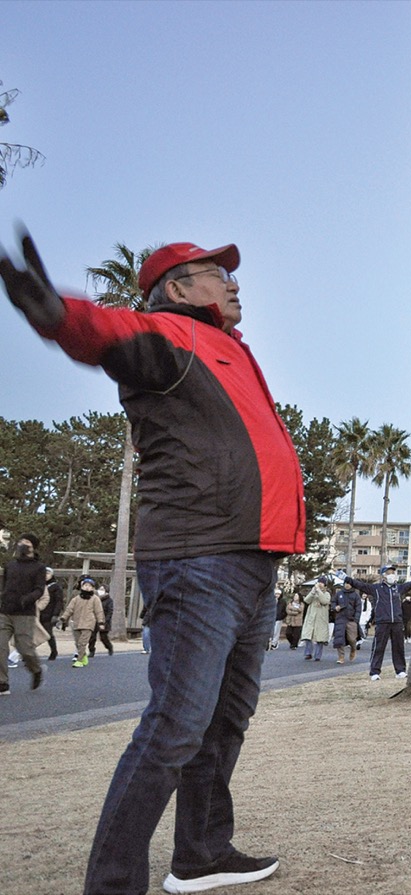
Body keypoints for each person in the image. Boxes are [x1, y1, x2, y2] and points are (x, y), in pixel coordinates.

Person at [2, 232, 306, 894]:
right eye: (214, 273)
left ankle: (200, 853)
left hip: (252, 562)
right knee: (176, 725)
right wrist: (57, 313)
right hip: (199, 562)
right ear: (175, 288)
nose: (232, 282)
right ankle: (112, 883)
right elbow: (107, 332)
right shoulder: (166, 335)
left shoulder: (230, 352)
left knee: (224, 720)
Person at [345, 565, 411, 681]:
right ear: (384, 575)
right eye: (389, 572)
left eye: (393, 572)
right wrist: (347, 579)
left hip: (397, 621)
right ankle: (374, 671)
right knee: (378, 647)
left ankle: (400, 670)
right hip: (382, 622)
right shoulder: (376, 588)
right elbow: (361, 585)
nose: (392, 575)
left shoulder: (399, 588)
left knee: (399, 647)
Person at [0, 532, 46, 693]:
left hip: (25, 614)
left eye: (26, 542)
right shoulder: (10, 565)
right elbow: (4, 585)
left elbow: (40, 589)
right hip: (5, 611)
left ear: (33, 546)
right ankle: (2, 683)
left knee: (25, 649)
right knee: (0, 647)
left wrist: (27, 599)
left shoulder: (39, 567)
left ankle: (36, 670)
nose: (22, 544)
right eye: (21, 541)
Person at [60, 577, 106, 669]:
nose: (87, 587)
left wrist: (101, 622)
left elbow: (99, 611)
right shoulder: (76, 599)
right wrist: (63, 618)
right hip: (76, 623)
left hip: (88, 623)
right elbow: (69, 609)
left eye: (89, 586)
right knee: (77, 643)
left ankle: (79, 660)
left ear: (93, 588)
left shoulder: (95, 599)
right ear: (82, 587)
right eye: (85, 585)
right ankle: (83, 656)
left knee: (82, 643)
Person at [331, 577, 361, 664]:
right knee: (339, 639)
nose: (347, 585)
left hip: (351, 620)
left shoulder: (355, 595)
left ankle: (353, 649)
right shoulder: (339, 593)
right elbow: (333, 602)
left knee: (352, 639)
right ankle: (341, 657)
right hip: (340, 618)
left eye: (349, 583)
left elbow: (358, 608)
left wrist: (356, 619)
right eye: (345, 583)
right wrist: (335, 607)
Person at [301, 578, 332, 661]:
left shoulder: (327, 594)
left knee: (320, 638)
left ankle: (317, 656)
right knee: (308, 636)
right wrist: (313, 592)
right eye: (319, 582)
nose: (320, 584)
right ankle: (308, 653)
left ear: (325, 585)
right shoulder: (313, 592)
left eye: (322, 583)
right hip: (311, 617)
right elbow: (306, 600)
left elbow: (324, 601)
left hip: (321, 618)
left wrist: (319, 591)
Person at [40, 566, 64, 661]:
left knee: (48, 634)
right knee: (33, 634)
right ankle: (29, 655)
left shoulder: (55, 587)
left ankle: (54, 651)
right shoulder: (39, 585)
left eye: (48, 573)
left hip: (49, 614)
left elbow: (59, 602)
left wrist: (55, 615)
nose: (46, 575)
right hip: (38, 613)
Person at [88, 584, 115, 658]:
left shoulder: (109, 600)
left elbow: (110, 611)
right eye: (100, 589)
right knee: (92, 637)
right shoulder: (95, 599)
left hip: (104, 621)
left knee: (103, 637)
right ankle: (91, 650)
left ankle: (109, 647)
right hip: (94, 620)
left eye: (102, 589)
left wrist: (105, 621)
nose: (100, 591)